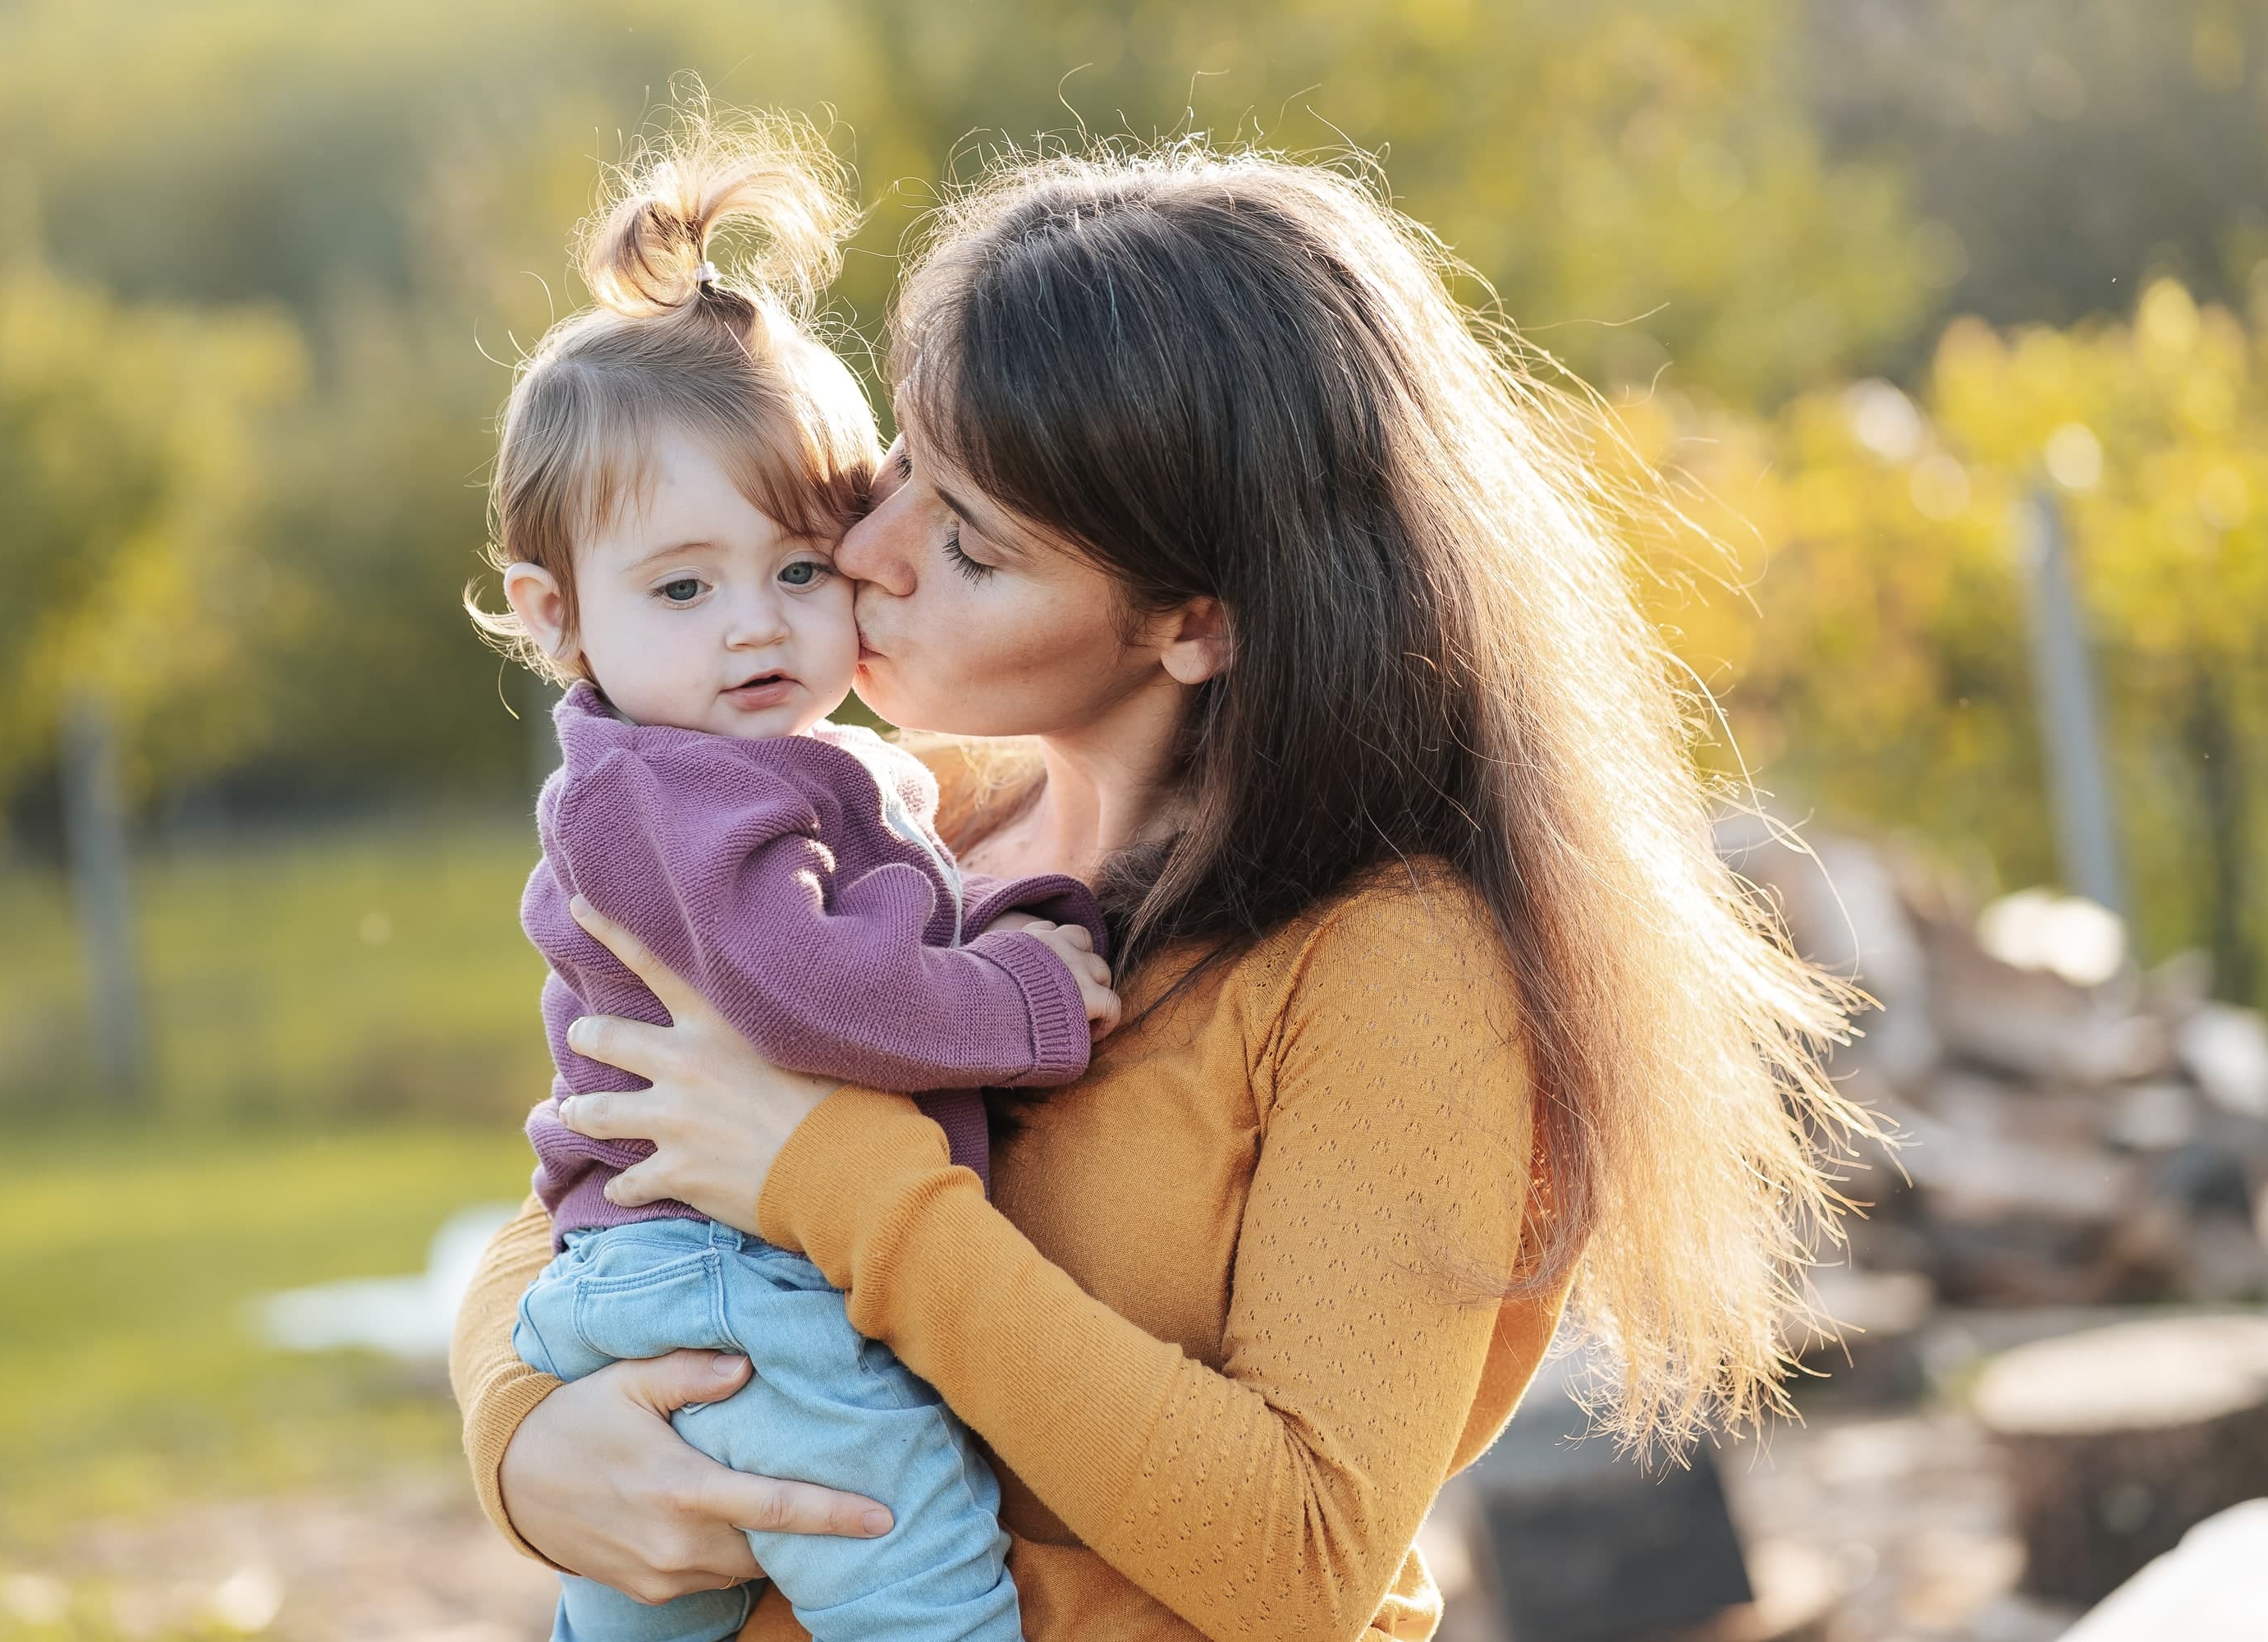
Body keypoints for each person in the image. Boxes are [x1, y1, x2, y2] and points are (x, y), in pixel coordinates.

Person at [452, 126, 1870, 1642]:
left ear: (1194, 622)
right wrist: (525, 1436)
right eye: (904, 468)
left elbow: (1303, 1561)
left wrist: (852, 1191)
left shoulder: (1388, 973)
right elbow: (608, 1148)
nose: (865, 548)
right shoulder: (911, 817)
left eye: (972, 542)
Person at [470, 117, 1122, 1642]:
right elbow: (803, 987)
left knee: (655, 1612)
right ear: (555, 615)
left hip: (674, 1272)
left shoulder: (753, 764)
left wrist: (1010, 918)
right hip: (734, 1282)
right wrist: (1025, 999)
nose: (754, 626)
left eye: (799, 569)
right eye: (683, 588)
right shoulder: (665, 789)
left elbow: (876, 923)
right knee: (918, 1566)